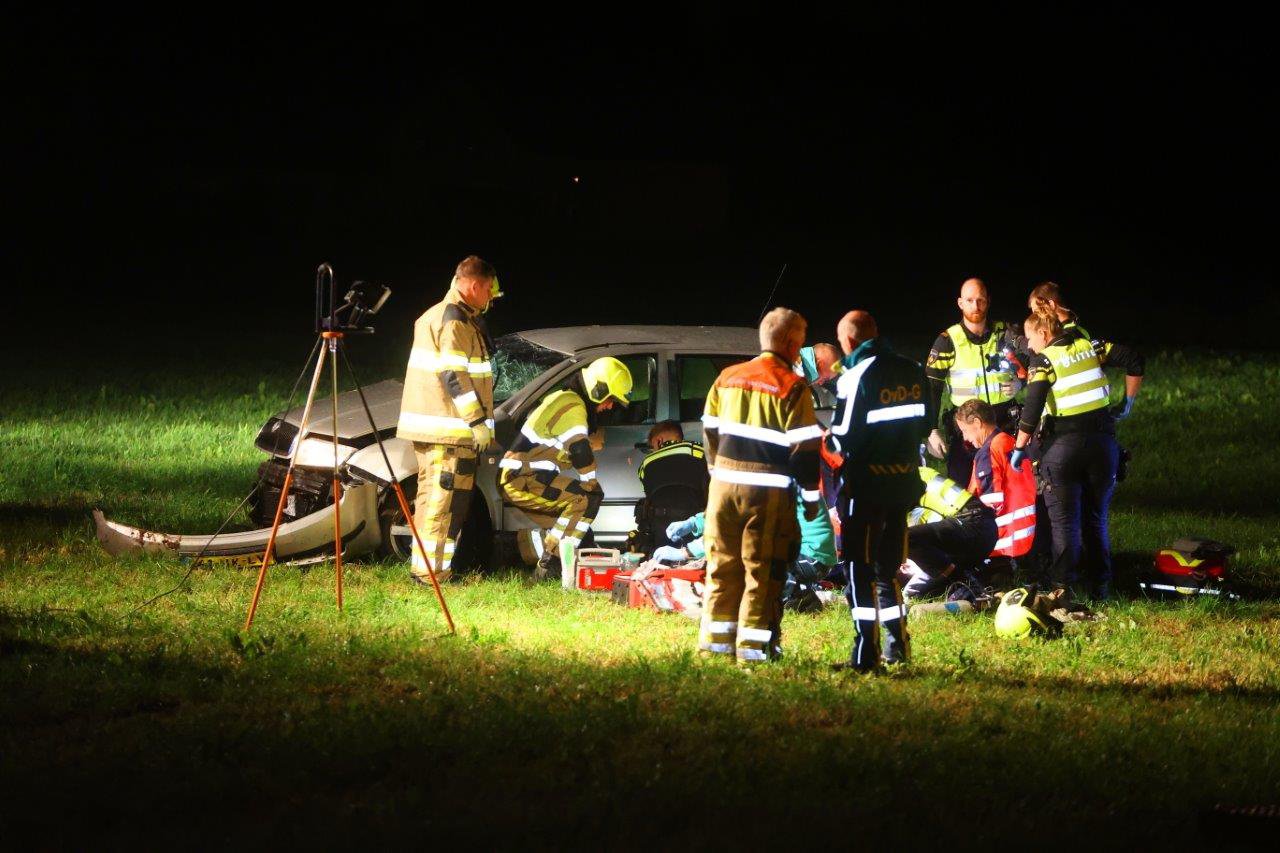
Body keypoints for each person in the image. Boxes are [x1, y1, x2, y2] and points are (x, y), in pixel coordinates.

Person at [698, 307, 822, 665]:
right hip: (765, 495)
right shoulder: (792, 386)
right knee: (762, 572)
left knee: (721, 566)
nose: (799, 352)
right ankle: (753, 652)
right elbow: (804, 451)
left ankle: (715, 650)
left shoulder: (726, 378)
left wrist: (718, 473)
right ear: (787, 342)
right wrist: (811, 500)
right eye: (799, 345)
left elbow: (709, 431)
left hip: (722, 490)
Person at [1011, 308, 1144, 599]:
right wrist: (1127, 403)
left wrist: (1019, 448)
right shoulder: (1091, 346)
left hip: (1064, 449)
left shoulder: (1044, 361)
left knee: (1064, 522)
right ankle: (1101, 587)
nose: (1030, 346)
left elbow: (1032, 409)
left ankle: (1063, 589)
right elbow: (1134, 359)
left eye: (1031, 338)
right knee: (1096, 520)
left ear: (1044, 334)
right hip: (1103, 445)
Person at [827, 310, 932, 670]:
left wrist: (821, 443)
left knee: (858, 568)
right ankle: (898, 646)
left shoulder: (856, 376)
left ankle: (864, 654)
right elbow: (926, 424)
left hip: (865, 488)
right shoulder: (913, 368)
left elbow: (842, 439)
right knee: (888, 570)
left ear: (850, 341)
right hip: (903, 485)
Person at [396, 255, 501, 584]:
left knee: (434, 501)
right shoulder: (454, 321)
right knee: (442, 503)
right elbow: (454, 376)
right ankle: (432, 575)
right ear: (474, 286)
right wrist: (476, 422)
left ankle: (428, 570)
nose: (491, 299)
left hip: (442, 430)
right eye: (489, 291)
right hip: (447, 432)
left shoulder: (447, 316)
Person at [501, 357, 634, 580]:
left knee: (581, 533)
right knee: (587, 498)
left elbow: (568, 447)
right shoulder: (573, 406)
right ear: (598, 389)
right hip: (523, 478)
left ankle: (513, 548)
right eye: (611, 399)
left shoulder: (566, 400)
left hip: (522, 477)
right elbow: (579, 451)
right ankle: (550, 567)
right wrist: (591, 484)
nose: (610, 406)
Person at [925, 278, 1022, 483]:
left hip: (1003, 423)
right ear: (960, 303)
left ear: (988, 301)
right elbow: (931, 389)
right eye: (969, 300)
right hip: (966, 430)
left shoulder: (1006, 333)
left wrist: (1022, 383)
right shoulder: (947, 341)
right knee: (963, 491)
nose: (975, 306)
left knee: (1009, 487)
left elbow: (1035, 366)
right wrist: (932, 430)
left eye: (980, 300)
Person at [953, 399, 1038, 562]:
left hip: (1002, 546)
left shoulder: (989, 451)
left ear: (977, 423)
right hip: (1024, 538)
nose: (965, 438)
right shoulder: (1009, 441)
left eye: (964, 430)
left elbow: (990, 502)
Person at [899, 467, 998, 599]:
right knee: (918, 589)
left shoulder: (904, 482)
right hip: (979, 528)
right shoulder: (916, 471)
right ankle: (972, 579)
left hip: (973, 525)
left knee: (904, 539)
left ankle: (963, 582)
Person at [634, 420, 709, 550]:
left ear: (658, 441)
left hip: (662, 532)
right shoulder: (701, 452)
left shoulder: (646, 464)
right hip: (697, 527)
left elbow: (648, 493)